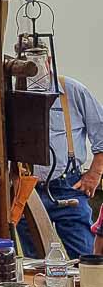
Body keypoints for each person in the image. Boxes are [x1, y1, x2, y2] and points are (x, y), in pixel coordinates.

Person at [17, 76, 103, 259]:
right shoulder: (13, 93)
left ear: (48, 61)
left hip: (69, 187)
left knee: (86, 260)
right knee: (35, 267)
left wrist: (95, 173)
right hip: (27, 190)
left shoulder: (71, 90)